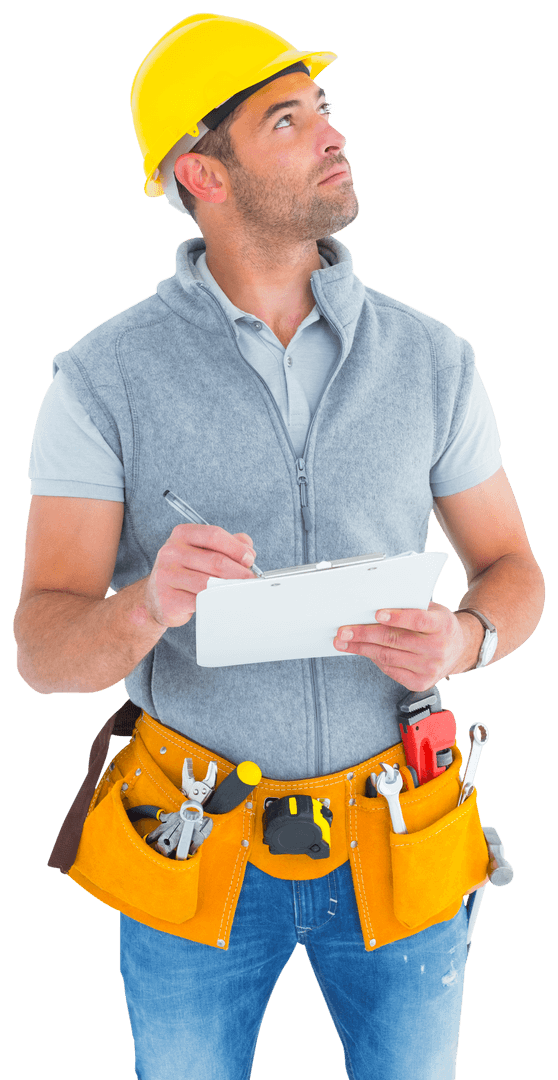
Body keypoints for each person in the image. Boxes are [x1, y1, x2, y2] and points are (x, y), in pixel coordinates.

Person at [14, 14, 544, 1080]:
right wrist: (144, 609)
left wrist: (466, 640)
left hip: (400, 835)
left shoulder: (434, 359)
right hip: (194, 845)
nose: (331, 138)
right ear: (199, 173)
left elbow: (516, 572)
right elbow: (40, 649)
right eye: (287, 120)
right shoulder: (100, 379)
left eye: (325, 113)